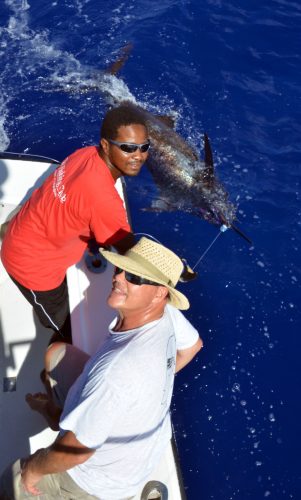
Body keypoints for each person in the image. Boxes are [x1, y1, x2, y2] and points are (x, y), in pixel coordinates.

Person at [0, 237, 203, 500]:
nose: (118, 277)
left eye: (134, 277)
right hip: (131, 450)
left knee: (12, 480)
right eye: (120, 268)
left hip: (95, 482)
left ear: (160, 293)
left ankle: (63, 426)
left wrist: (33, 467)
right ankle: (60, 418)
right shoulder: (167, 314)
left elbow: (77, 452)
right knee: (56, 354)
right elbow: (193, 346)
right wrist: (149, 384)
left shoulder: (117, 372)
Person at [0, 104, 150, 342]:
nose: (138, 156)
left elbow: (80, 204)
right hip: (33, 270)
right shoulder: (104, 201)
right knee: (70, 336)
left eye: (144, 147)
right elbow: (130, 252)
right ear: (105, 145)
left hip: (22, 231)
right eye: (128, 148)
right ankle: (51, 374)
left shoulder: (85, 155)